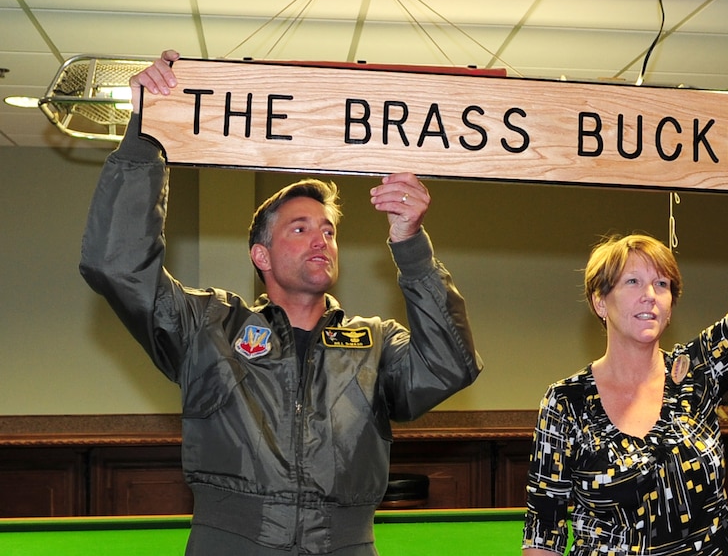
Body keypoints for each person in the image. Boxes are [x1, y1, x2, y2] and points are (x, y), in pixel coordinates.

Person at [79, 50, 483, 556]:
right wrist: (145, 134)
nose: (321, 240)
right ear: (261, 255)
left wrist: (411, 245)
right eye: (300, 229)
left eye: (329, 231)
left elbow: (450, 366)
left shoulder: (376, 343)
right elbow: (116, 265)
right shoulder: (208, 327)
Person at [522, 114, 728, 555]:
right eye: (632, 282)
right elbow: (543, 533)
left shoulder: (698, 371)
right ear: (600, 302)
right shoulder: (566, 403)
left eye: (661, 284)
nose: (650, 295)